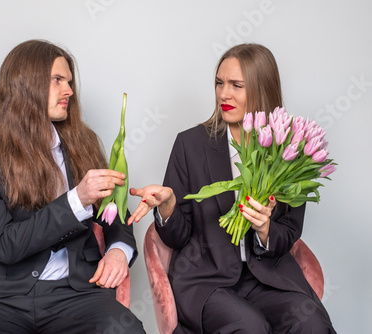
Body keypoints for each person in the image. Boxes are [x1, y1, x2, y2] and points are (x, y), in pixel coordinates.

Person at [0, 40, 145, 334]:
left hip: (75, 295)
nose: (69, 91)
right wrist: (77, 200)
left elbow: (114, 209)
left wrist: (119, 250)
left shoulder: (83, 143)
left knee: (127, 330)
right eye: (57, 80)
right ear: (25, 84)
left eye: (69, 82)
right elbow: (6, 244)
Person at [128, 44, 336, 333]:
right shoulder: (190, 144)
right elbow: (176, 237)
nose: (224, 94)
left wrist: (264, 230)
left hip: (267, 279)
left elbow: (288, 233)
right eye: (219, 83)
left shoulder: (289, 149)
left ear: (262, 89)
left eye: (236, 85)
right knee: (249, 326)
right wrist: (168, 206)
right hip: (206, 281)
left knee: (311, 323)